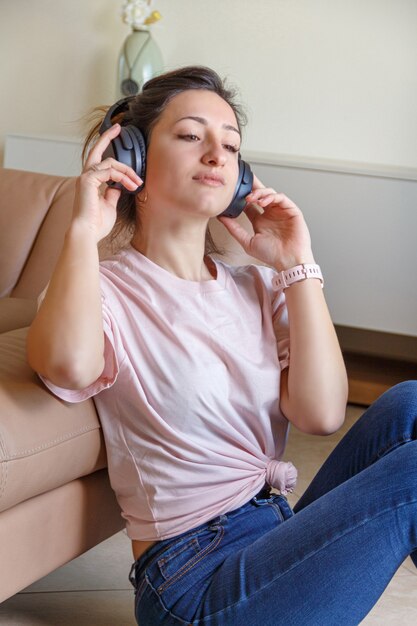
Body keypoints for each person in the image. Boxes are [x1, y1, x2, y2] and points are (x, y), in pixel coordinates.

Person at [27, 65, 417, 626]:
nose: (216, 154)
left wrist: (295, 265)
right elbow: (65, 362)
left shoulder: (257, 286)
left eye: (230, 144)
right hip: (194, 584)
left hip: (271, 538)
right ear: (133, 158)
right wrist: (84, 230)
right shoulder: (102, 287)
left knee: (408, 404)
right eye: (190, 136)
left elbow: (322, 413)